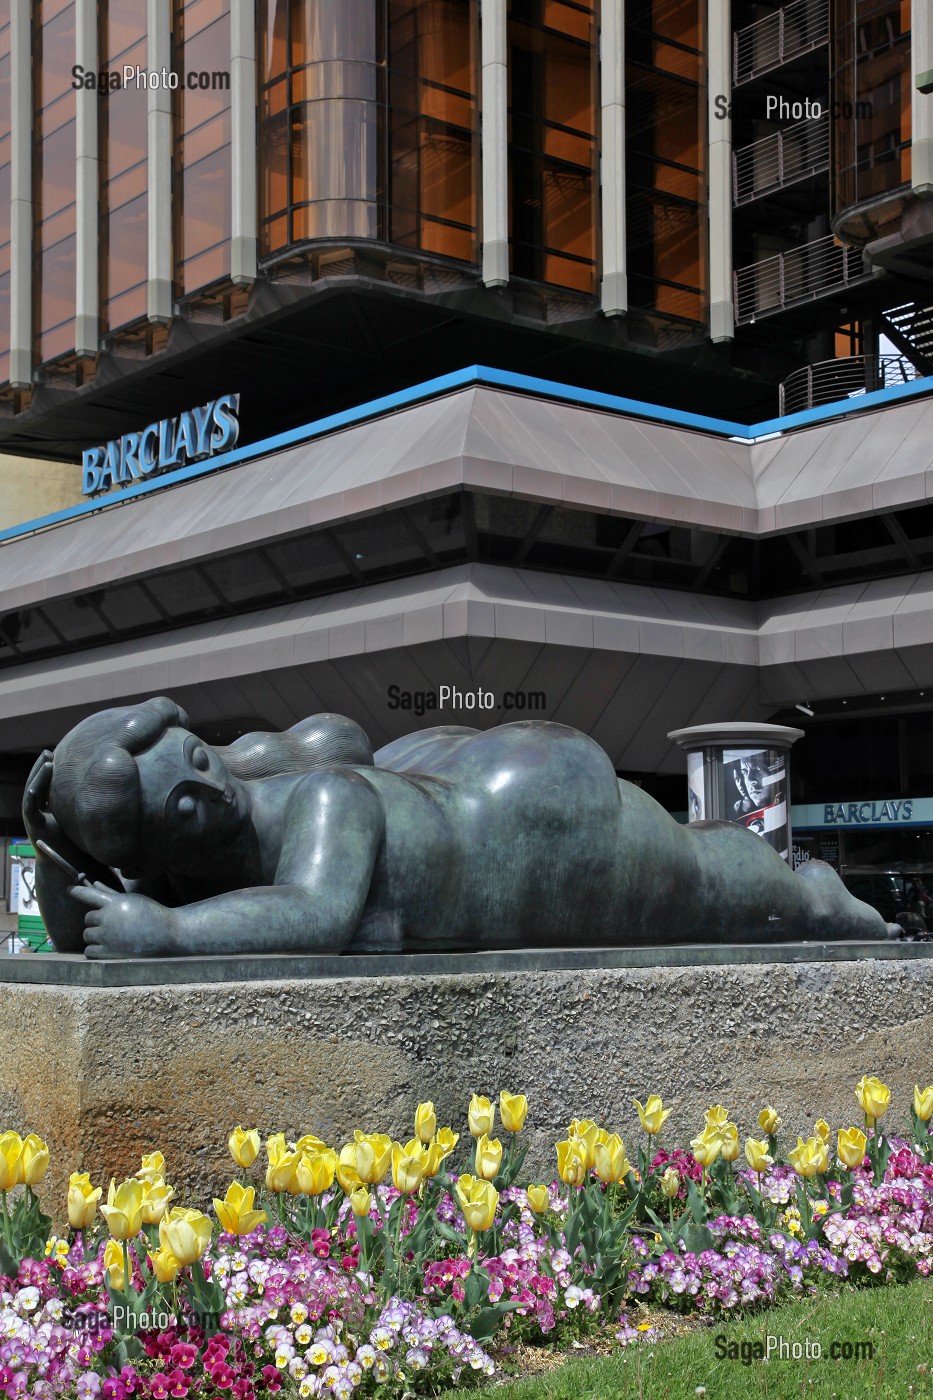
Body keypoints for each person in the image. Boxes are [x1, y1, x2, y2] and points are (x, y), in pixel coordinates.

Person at [23, 697, 887, 958]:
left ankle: (824, 898)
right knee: (703, 883)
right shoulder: (196, 866)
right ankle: (808, 893)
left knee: (710, 888)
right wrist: (53, 842)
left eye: (198, 765)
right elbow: (88, 934)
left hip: (537, 829)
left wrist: (170, 932)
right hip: (473, 806)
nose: (207, 795)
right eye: (181, 809)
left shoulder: (315, 797)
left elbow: (318, 915)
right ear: (163, 847)